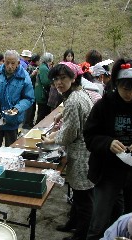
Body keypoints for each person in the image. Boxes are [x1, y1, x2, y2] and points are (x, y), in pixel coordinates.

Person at [83, 58, 132, 240]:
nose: (130, 94)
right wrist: (107, 143)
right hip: (108, 173)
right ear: (117, 83)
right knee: (99, 221)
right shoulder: (104, 105)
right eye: (125, 88)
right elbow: (90, 136)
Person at [42, 62, 95, 240]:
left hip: (82, 155)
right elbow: (75, 118)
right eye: (56, 79)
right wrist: (62, 115)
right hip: (84, 152)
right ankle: (73, 222)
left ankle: (80, 236)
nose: (59, 82)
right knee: (78, 195)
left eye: (63, 78)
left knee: (83, 199)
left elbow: (68, 135)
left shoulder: (73, 100)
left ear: (73, 78)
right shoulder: (78, 93)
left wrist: (51, 139)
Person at [0, 50, 34, 157]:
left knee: (11, 152)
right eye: (7, 62)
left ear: (18, 63)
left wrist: (17, 108)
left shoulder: (24, 77)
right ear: (3, 61)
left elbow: (29, 98)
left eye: (13, 63)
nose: (10, 66)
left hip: (13, 120)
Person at [22, 53, 40, 129]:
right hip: (29, 89)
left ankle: (30, 122)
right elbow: (26, 79)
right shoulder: (29, 67)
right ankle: (26, 123)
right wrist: (33, 74)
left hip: (34, 89)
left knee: (33, 107)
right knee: (29, 107)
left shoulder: (37, 67)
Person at [35, 52, 54, 124]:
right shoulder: (44, 68)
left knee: (41, 112)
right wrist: (52, 81)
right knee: (42, 113)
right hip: (42, 94)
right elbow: (45, 82)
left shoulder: (42, 66)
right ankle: (37, 126)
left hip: (39, 92)